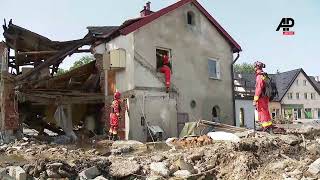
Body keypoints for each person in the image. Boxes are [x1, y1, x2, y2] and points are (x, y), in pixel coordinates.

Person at [253, 61, 273, 133]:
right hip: (266, 96)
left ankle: (265, 127)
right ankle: (269, 126)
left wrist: (255, 100)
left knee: (262, 111)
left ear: (257, 67)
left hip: (261, 97)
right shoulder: (264, 75)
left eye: (254, 67)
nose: (254, 68)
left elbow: (258, 88)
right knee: (266, 111)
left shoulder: (259, 76)